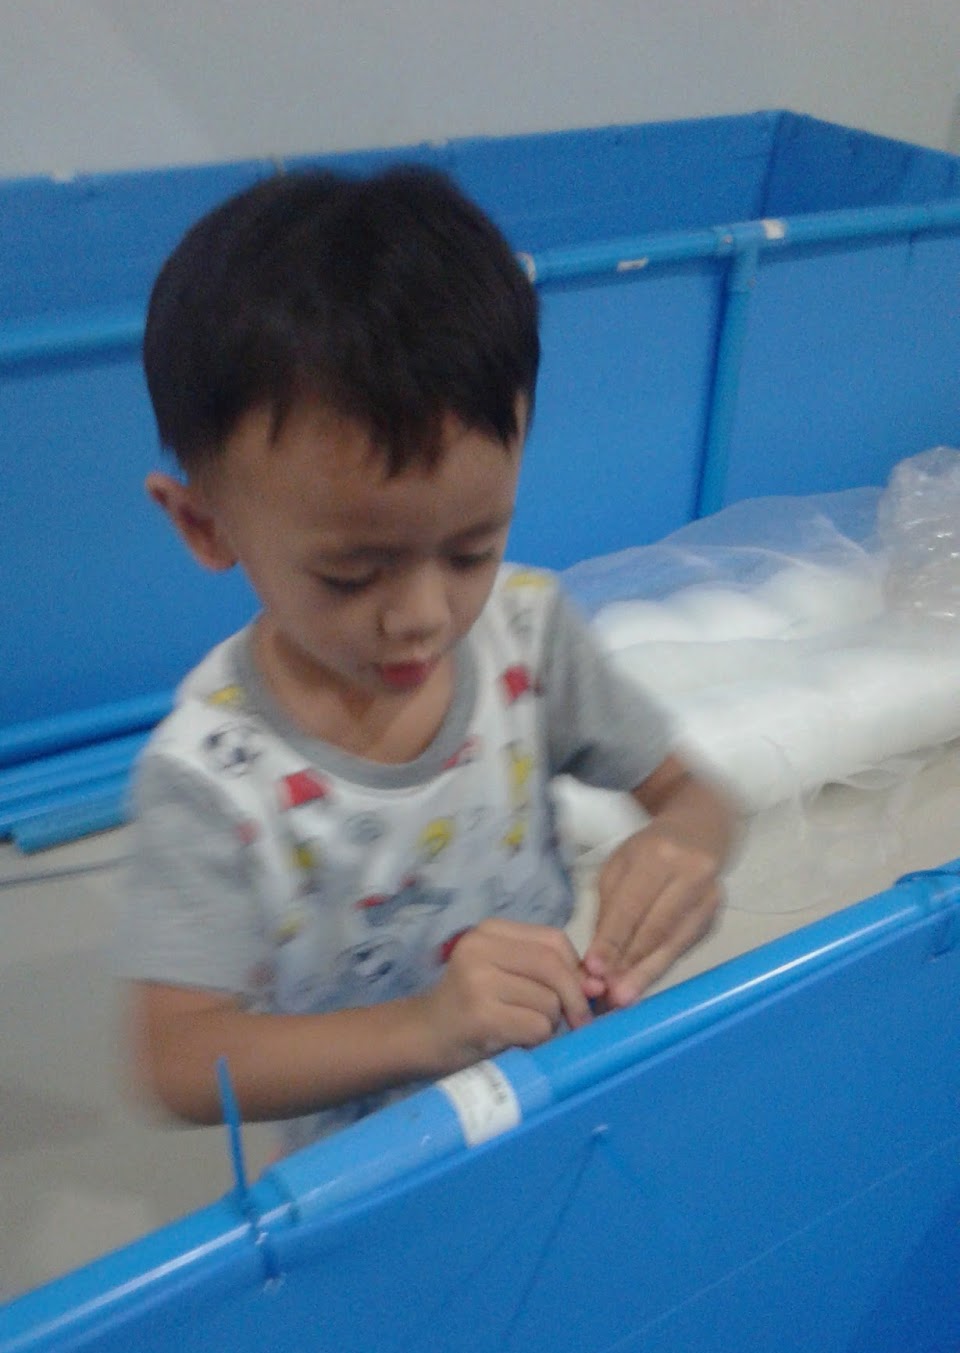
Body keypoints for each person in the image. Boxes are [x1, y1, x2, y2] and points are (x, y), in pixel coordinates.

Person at [120, 164, 737, 1151]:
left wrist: (680, 853)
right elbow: (180, 1059)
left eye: (470, 551)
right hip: (370, 1174)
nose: (420, 618)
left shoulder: (529, 633)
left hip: (554, 1105)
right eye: (352, 573)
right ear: (204, 524)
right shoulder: (210, 778)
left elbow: (694, 796)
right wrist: (426, 1027)